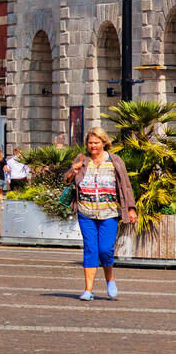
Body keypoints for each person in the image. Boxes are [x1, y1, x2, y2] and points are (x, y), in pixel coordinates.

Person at [65, 127, 137, 301]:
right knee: (90, 249)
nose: (93, 146)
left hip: (109, 212)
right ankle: (88, 290)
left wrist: (130, 207)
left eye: (96, 142)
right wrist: (73, 172)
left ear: (104, 143)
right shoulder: (81, 160)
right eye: (90, 143)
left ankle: (109, 278)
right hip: (85, 211)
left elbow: (125, 185)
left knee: (105, 249)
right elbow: (67, 179)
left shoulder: (114, 161)